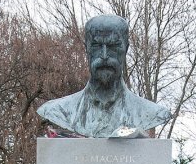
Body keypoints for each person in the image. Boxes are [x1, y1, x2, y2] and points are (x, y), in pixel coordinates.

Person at [37, 15, 171, 138]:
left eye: (113, 46)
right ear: (87, 48)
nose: (104, 56)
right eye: (96, 46)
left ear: (126, 49)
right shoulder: (57, 111)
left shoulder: (152, 113)